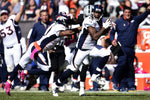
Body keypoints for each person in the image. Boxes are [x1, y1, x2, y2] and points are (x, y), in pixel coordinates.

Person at [4, 12, 78, 96]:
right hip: (36, 49)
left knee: (19, 65)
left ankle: (8, 82)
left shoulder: (55, 25)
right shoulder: (58, 27)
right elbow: (70, 32)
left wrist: (80, 22)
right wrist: (81, 28)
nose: (68, 21)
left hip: (34, 47)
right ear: (62, 20)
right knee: (46, 69)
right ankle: (25, 72)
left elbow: (68, 25)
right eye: (66, 19)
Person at [51, 5, 113, 96]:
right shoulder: (88, 20)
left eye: (99, 13)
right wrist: (104, 28)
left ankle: (95, 75)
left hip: (92, 48)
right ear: (92, 12)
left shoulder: (101, 21)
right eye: (95, 12)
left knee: (106, 53)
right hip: (82, 49)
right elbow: (95, 36)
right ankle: (55, 85)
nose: (97, 14)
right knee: (73, 69)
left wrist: (108, 28)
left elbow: (103, 33)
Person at [110, 6, 150, 92]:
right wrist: (112, 40)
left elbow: (143, 16)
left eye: (129, 12)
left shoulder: (135, 20)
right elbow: (112, 32)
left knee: (130, 66)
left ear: (130, 13)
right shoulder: (118, 22)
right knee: (122, 64)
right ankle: (117, 82)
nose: (127, 14)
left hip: (131, 48)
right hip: (122, 48)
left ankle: (131, 84)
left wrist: (148, 10)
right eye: (126, 12)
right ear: (123, 13)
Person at [0, 0, 25, 89]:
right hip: (6, 48)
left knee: (17, 64)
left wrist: (22, 2)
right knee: (9, 67)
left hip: (15, 46)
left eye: (5, 14)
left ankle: (19, 83)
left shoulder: (11, 20)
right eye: (2, 15)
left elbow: (20, 13)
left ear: (8, 14)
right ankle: (12, 83)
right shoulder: (0, 26)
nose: (4, 16)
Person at [27, 10, 53, 91]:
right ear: (40, 17)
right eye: (43, 15)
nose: (45, 17)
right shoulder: (36, 26)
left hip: (49, 50)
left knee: (49, 68)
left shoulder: (52, 25)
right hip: (38, 50)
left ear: (48, 16)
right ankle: (43, 85)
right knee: (42, 67)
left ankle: (45, 84)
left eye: (46, 15)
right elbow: (32, 38)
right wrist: (30, 49)